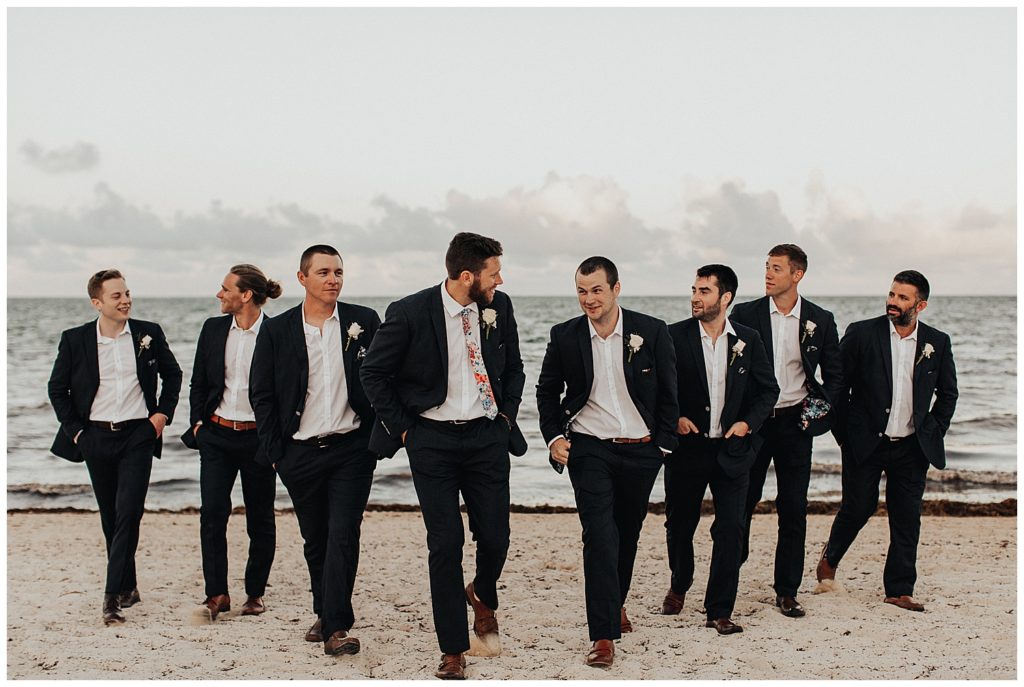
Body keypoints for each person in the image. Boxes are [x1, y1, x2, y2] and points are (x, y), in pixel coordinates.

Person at [360, 232, 526, 680]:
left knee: (496, 537)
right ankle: (453, 649)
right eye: (493, 273)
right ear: (467, 275)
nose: (500, 280)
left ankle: (483, 592)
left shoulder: (499, 306)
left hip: (488, 437)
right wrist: (406, 429)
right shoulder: (410, 312)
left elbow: (513, 367)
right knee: (445, 544)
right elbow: (373, 373)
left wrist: (506, 418)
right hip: (431, 440)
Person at [535, 256, 678, 668]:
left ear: (616, 289)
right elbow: (547, 392)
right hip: (590, 447)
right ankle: (602, 635)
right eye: (581, 291)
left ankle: (614, 602)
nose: (588, 299)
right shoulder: (565, 336)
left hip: (642, 448)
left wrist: (663, 446)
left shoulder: (650, 331)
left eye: (596, 290)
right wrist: (554, 436)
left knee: (626, 533)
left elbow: (670, 391)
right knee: (599, 535)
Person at [249, 245, 381, 656]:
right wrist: (276, 452)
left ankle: (336, 627)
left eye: (339, 272)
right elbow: (262, 393)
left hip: (352, 448)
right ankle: (325, 610)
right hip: (299, 451)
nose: (333, 279)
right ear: (302, 278)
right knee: (316, 538)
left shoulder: (364, 321)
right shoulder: (278, 329)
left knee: (344, 532)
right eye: (323, 272)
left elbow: (384, 377)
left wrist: (380, 436)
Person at [816, 270, 957, 612]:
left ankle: (899, 589)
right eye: (892, 294)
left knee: (907, 516)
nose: (893, 302)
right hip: (865, 442)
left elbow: (948, 394)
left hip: (912, 446)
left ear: (920, 305)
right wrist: (844, 434)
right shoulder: (863, 333)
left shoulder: (937, 342)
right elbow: (837, 385)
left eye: (903, 298)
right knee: (858, 506)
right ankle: (830, 556)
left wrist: (931, 430)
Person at [47, 269, 182, 625]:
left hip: (138, 436)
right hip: (95, 437)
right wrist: (77, 433)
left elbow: (174, 374)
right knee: (111, 516)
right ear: (97, 303)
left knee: (129, 512)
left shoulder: (148, 333)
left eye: (127, 293)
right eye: (116, 296)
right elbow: (57, 390)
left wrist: (161, 416)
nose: (125, 301)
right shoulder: (75, 340)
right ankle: (129, 585)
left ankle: (111, 599)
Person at [661, 264, 778, 635]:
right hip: (687, 450)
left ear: (725, 298)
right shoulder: (672, 336)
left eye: (704, 291)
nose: (696, 297)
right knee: (680, 525)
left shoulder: (749, 339)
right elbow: (657, 389)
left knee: (731, 529)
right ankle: (680, 582)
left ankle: (719, 609)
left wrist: (748, 423)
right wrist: (675, 417)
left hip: (733, 451)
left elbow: (767, 390)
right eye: (694, 290)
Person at [730, 244, 843, 617]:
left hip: (795, 422)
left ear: (797, 275)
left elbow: (835, 376)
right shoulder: (744, 314)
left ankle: (787, 590)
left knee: (793, 507)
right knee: (742, 500)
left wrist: (817, 414)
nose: (767, 274)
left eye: (776, 268)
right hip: (754, 423)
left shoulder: (819, 320)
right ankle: (731, 569)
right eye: (766, 267)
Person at [181, 264, 282, 621]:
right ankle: (217, 594)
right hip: (217, 435)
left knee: (260, 519)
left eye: (225, 289)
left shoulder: (276, 333)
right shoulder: (212, 328)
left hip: (258, 439)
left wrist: (277, 438)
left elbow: (287, 390)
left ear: (246, 295)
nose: (219, 294)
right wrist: (198, 424)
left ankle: (254, 593)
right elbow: (198, 381)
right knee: (212, 515)